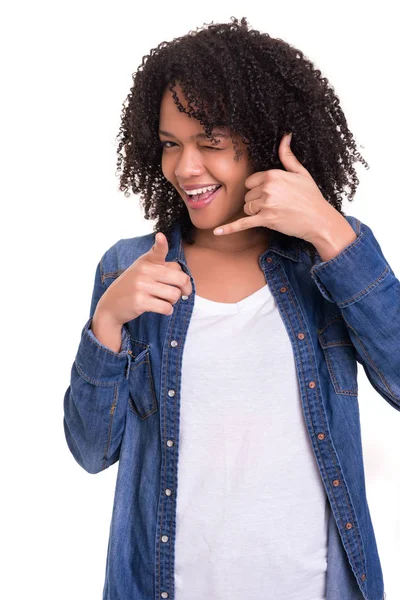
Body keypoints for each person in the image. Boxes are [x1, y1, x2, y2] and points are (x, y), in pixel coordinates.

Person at [63, 16, 394, 600]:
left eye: (210, 143)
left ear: (265, 142)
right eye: (171, 145)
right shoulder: (130, 269)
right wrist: (108, 323)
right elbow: (91, 453)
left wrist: (329, 230)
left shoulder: (331, 255)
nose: (185, 169)